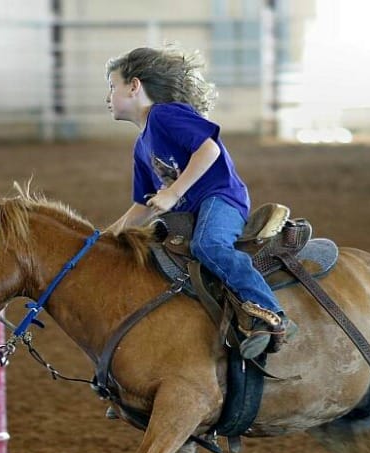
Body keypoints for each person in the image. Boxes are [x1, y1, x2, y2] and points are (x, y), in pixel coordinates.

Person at [105, 46, 295, 359]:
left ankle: (271, 313)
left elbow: (209, 150)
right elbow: (142, 205)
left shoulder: (164, 115)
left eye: (113, 87)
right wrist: (105, 236)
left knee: (209, 246)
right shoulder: (141, 147)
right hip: (191, 211)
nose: (108, 97)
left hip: (221, 198)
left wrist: (174, 192)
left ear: (134, 86)